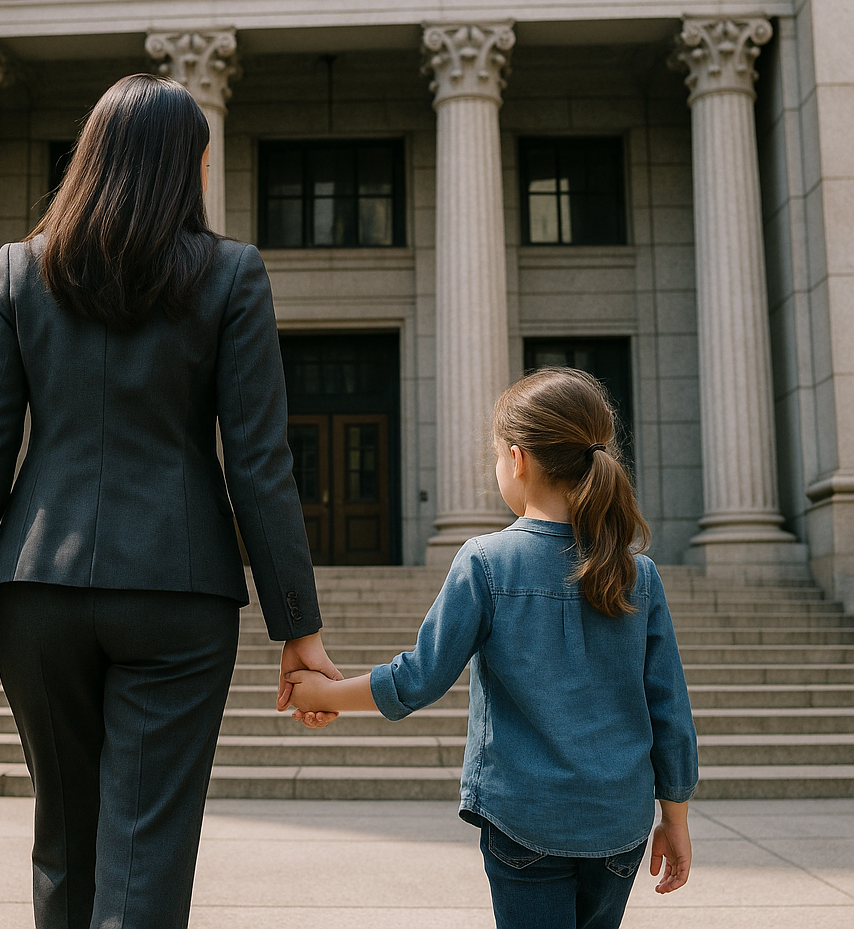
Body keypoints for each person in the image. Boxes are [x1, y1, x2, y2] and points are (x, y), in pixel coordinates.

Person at [0, 73, 341, 929]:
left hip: (38, 590)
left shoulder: (20, 271)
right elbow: (259, 462)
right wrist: (298, 629)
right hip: (178, 594)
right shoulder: (232, 274)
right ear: (185, 167)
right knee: (146, 851)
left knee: (64, 843)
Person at [286, 368, 699, 929]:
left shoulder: (485, 562)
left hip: (524, 816)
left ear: (518, 459)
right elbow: (670, 710)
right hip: (618, 825)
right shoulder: (639, 574)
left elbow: (419, 679)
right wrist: (675, 817)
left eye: (498, 457)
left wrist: (324, 694)